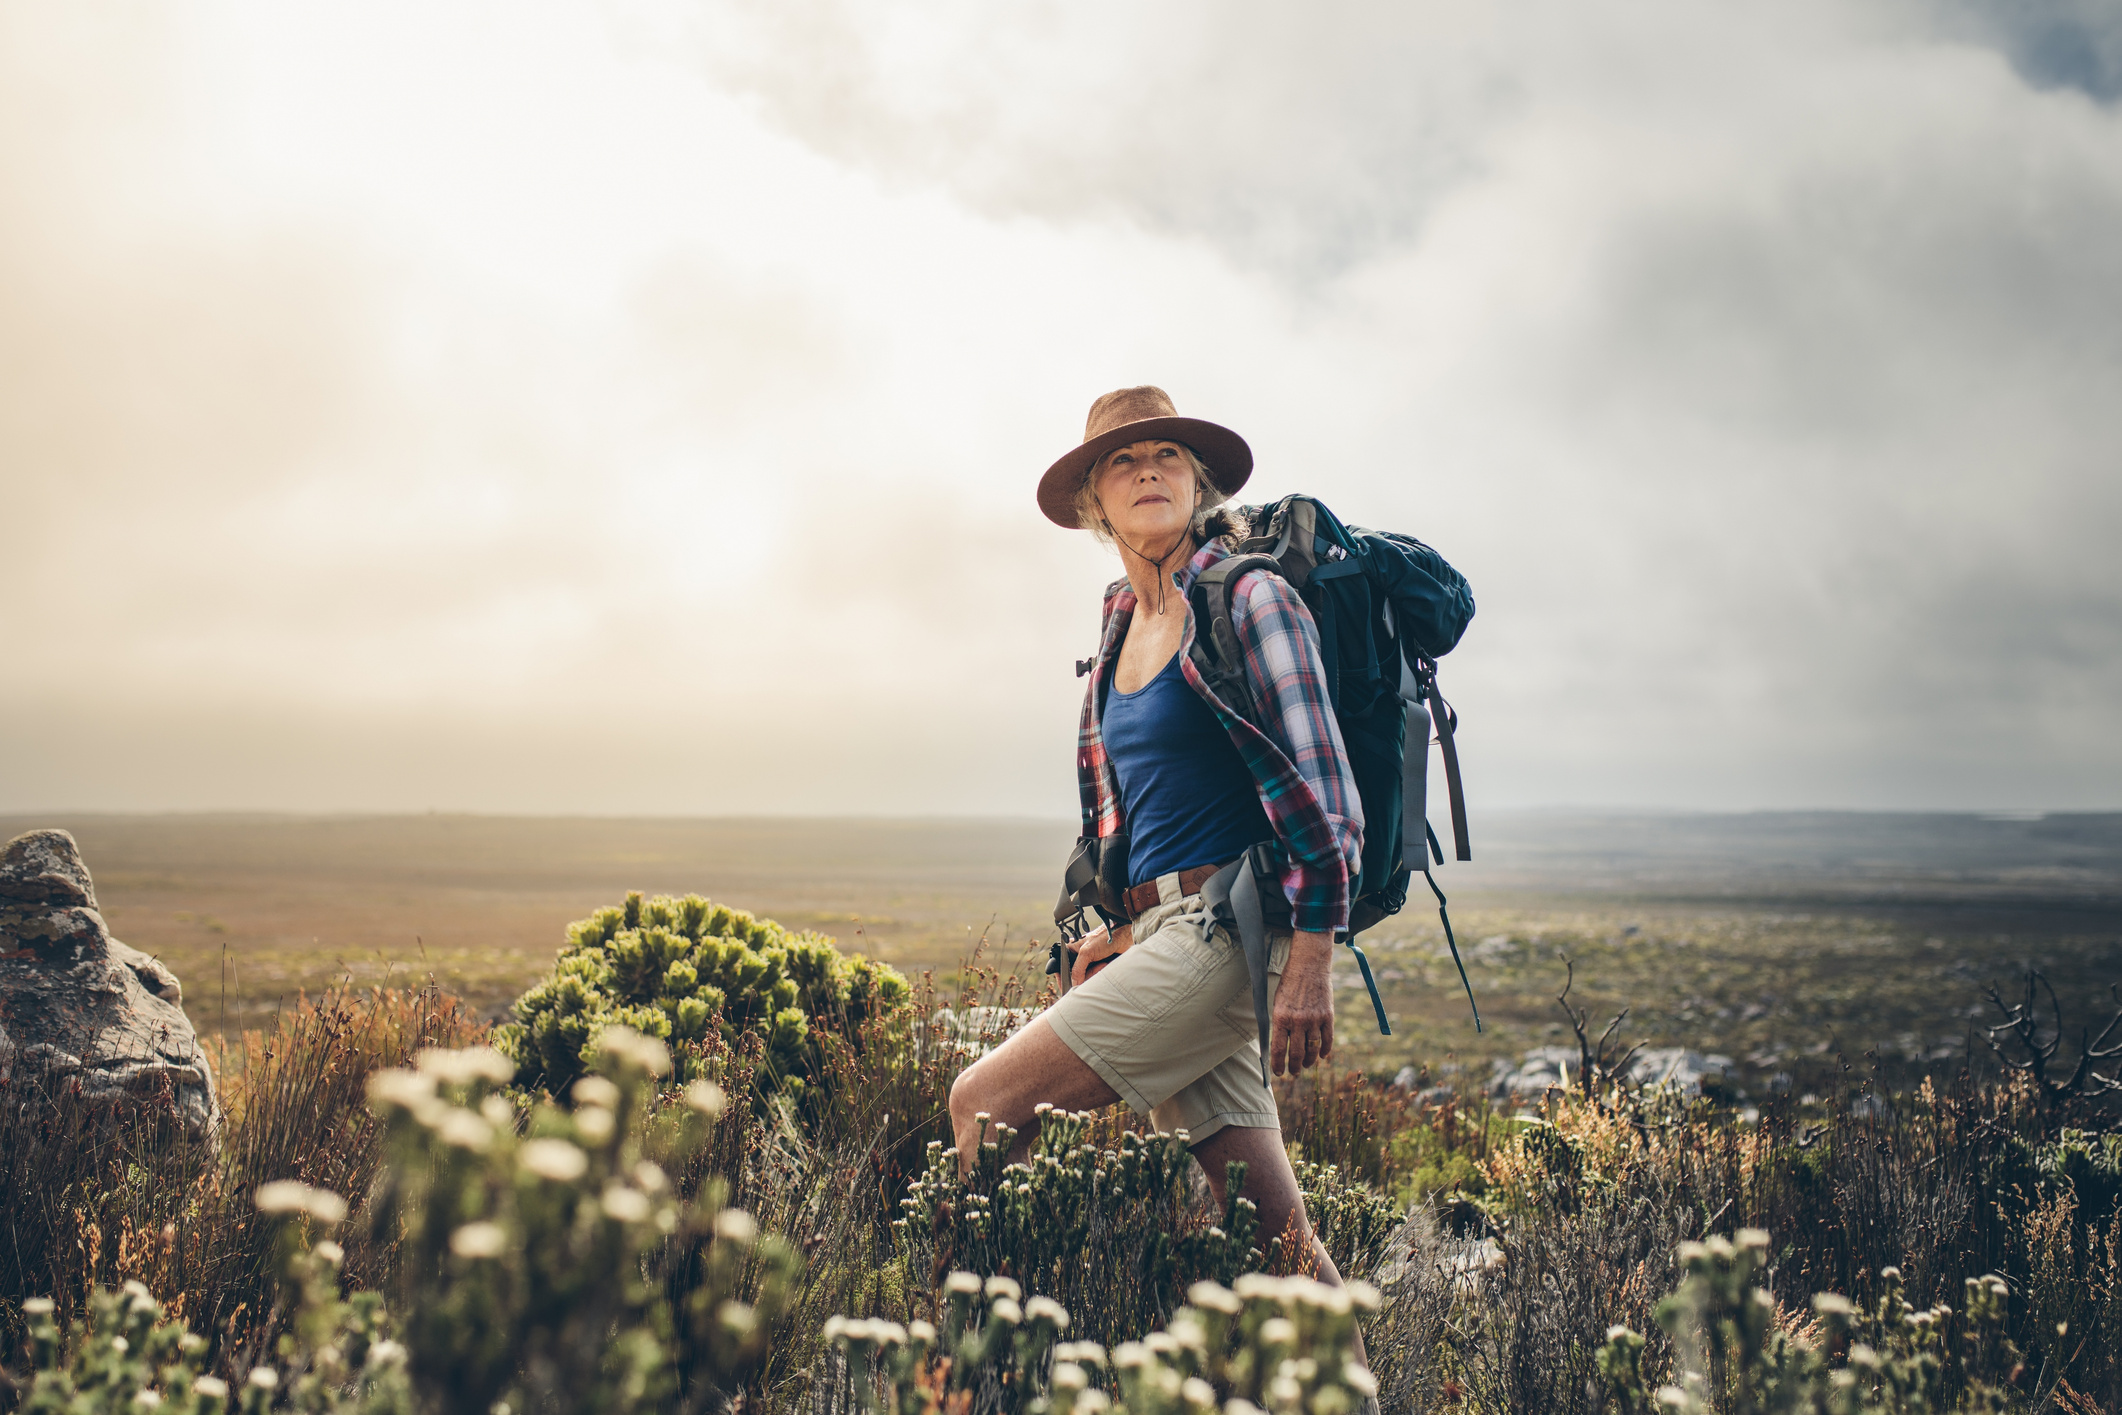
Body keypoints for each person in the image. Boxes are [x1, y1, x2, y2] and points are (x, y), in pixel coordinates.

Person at [947, 385, 1367, 1302]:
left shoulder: (1251, 599)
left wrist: (1310, 962)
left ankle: (1001, 1358)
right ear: (1095, 502)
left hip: (1226, 940)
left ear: (1199, 481)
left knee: (978, 1103)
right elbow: (1154, 826)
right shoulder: (1117, 628)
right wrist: (1122, 930)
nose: (1148, 471)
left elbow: (1328, 798)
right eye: (1122, 462)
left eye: (1167, 456)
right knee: (1280, 1249)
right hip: (1169, 934)